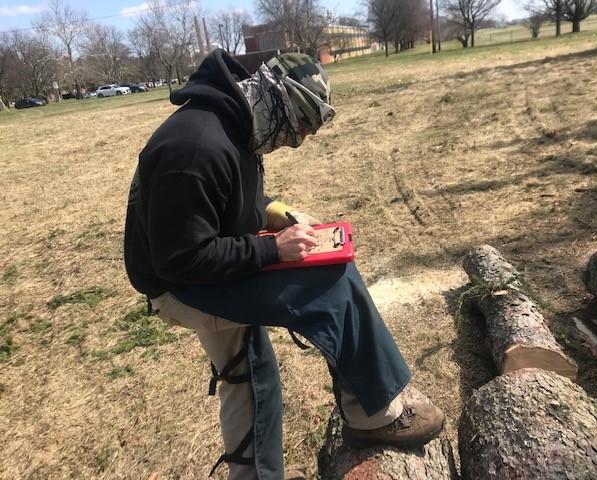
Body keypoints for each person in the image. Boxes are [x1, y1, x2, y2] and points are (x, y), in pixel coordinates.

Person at [124, 49, 445, 480]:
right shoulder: (195, 148)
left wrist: (279, 214)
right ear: (275, 100)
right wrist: (273, 250)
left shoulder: (233, 119)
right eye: (295, 130)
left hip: (198, 265)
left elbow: (235, 198)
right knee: (331, 281)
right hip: (180, 284)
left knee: (251, 378)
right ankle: (375, 417)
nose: (293, 142)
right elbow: (182, 258)